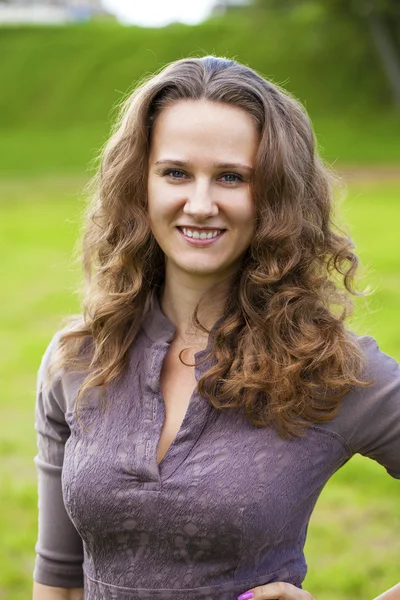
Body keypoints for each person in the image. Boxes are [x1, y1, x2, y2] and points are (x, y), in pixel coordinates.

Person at [32, 56, 400, 600]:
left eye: (232, 177)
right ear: (141, 185)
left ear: (276, 195)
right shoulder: (79, 359)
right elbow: (58, 579)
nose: (200, 204)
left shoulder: (333, 368)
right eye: (176, 173)